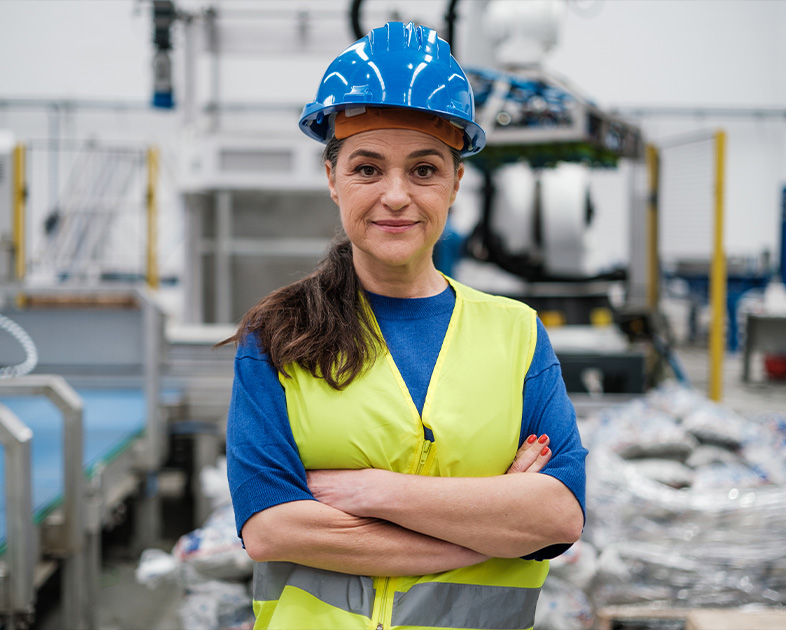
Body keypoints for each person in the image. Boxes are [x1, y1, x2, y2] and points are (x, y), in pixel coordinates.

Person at [225, 21, 587, 630]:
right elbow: (270, 528)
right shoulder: (279, 335)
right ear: (333, 179)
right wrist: (486, 533)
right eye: (368, 168)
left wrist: (372, 492)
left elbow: (557, 518)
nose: (396, 195)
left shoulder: (516, 334)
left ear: (455, 184)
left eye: (423, 170)